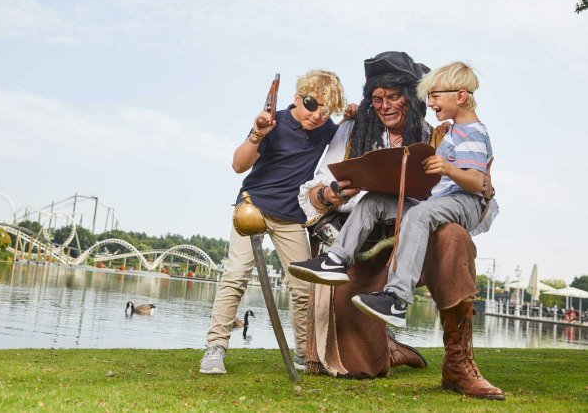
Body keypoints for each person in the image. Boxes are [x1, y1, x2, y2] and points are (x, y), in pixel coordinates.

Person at [291, 52, 504, 400]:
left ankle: (458, 362)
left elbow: (466, 196)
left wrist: (480, 186)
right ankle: (385, 345)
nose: (385, 106)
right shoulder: (352, 129)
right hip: (361, 247)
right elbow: (311, 194)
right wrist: (331, 192)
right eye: (377, 99)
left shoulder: (436, 135)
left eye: (394, 97)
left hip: (413, 239)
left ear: (410, 96)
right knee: (359, 366)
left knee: (454, 237)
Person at [199, 69, 346, 375]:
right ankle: (215, 348)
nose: (318, 115)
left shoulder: (327, 130)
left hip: (292, 216)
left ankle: (305, 354)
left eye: (326, 109)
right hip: (253, 208)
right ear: (297, 97)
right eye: (311, 104)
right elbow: (238, 165)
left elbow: (348, 133)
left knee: (304, 287)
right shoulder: (273, 122)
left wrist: (354, 114)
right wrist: (257, 133)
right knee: (236, 275)